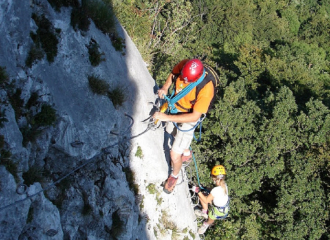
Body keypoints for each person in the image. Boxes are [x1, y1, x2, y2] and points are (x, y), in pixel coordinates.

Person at [153, 59, 214, 194]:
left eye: (188, 81)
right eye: (184, 79)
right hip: (177, 106)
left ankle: (174, 176)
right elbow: (173, 74)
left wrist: (167, 117)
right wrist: (165, 87)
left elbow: (194, 117)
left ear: (197, 78)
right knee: (171, 131)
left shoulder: (206, 89)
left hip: (189, 117)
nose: (184, 82)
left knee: (174, 154)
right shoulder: (185, 65)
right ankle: (186, 150)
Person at [192, 165, 229, 234]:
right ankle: (204, 212)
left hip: (218, 210)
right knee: (204, 194)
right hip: (224, 209)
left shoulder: (216, 190)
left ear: (214, 177)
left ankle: (205, 225)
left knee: (211, 218)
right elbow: (213, 191)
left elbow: (206, 200)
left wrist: (198, 191)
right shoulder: (224, 185)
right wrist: (205, 188)